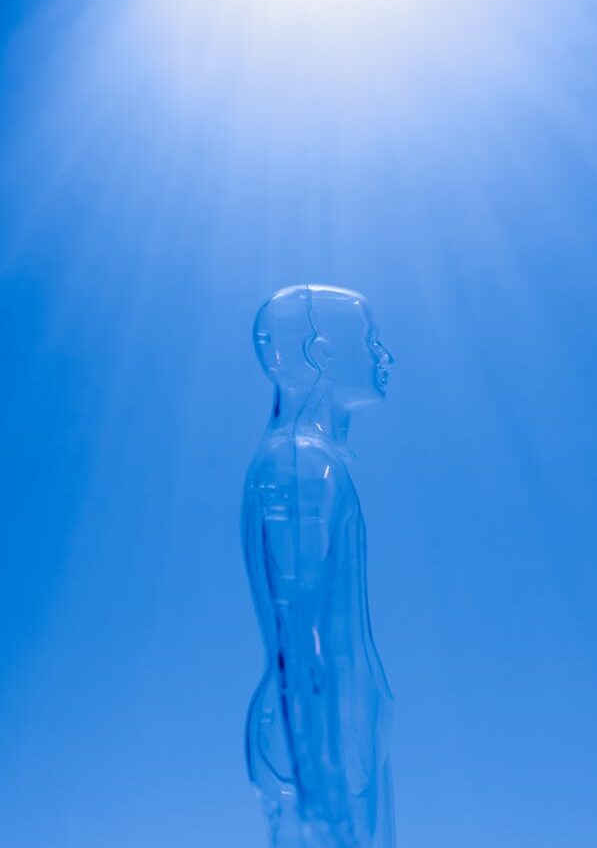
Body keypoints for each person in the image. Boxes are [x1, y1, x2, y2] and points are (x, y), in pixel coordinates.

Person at [242, 285, 396, 848]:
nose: (384, 356)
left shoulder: (308, 460)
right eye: (371, 340)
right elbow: (305, 642)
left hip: (330, 732)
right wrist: (324, 778)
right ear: (320, 352)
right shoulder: (302, 464)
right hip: (318, 735)